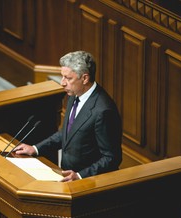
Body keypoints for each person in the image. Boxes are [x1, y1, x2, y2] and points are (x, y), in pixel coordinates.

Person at [14, 50, 122, 181]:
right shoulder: (74, 94)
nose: (63, 83)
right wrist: (35, 149)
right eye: (62, 76)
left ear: (85, 78)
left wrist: (80, 175)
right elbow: (66, 133)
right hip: (66, 176)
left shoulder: (103, 111)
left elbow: (111, 158)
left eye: (68, 78)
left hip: (88, 183)